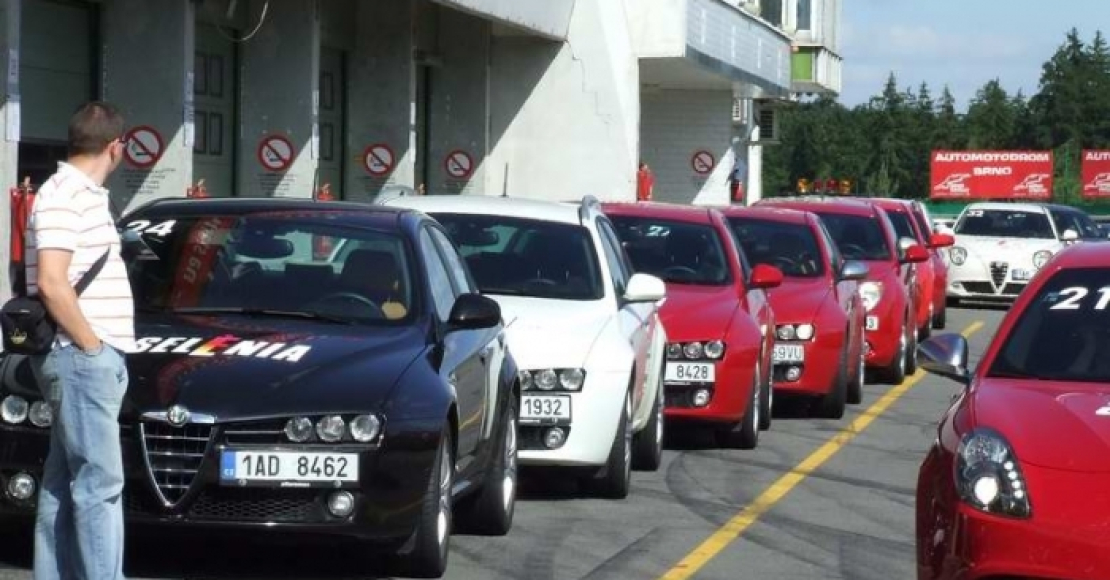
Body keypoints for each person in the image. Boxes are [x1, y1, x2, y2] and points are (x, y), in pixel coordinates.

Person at [25, 101, 135, 580]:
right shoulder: (64, 194)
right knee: (99, 487)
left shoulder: (82, 194)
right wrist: (92, 346)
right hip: (80, 356)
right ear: (116, 147)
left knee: (63, 485)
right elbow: (52, 281)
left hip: (80, 356)